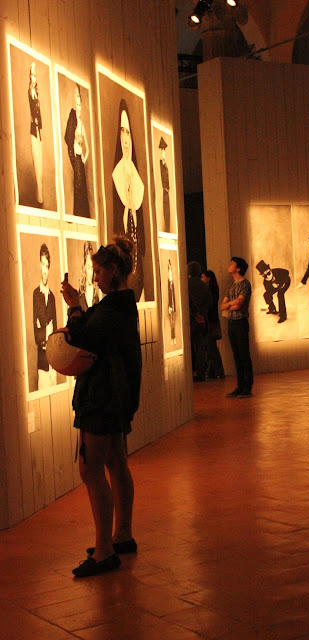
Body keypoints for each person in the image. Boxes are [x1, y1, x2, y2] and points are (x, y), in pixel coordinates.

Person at [61, 236, 142, 577]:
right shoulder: (121, 305)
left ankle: (104, 551)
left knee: (90, 469)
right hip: (115, 397)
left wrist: (74, 308)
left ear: (113, 270)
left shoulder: (113, 308)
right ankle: (121, 535)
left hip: (101, 398)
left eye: (98, 271)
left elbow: (84, 338)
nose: (95, 278)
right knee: (116, 462)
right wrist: (80, 308)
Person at [112, 99, 145, 302]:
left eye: (128, 132)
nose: (125, 138)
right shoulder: (117, 173)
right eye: (122, 132)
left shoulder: (135, 173)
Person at [221, 257, 253, 398]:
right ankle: (240, 386)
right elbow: (222, 306)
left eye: (232, 263)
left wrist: (230, 304)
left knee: (244, 355)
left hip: (240, 322)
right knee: (236, 355)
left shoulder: (245, 284)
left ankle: (247, 387)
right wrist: (231, 304)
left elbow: (238, 305)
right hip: (231, 323)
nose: (229, 265)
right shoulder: (231, 285)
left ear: (238, 268)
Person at [33, 243, 57, 389]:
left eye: (47, 266)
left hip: (54, 365)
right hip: (42, 365)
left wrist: (46, 332)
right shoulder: (36, 295)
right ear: (39, 265)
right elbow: (37, 337)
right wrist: (46, 332)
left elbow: (55, 332)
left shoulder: (52, 297)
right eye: (42, 264)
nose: (44, 270)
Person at [64, 84, 90, 217]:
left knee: (81, 188)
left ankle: (82, 214)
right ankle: (78, 214)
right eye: (77, 105)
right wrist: (73, 154)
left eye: (80, 105)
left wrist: (84, 157)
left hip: (80, 159)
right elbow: (68, 137)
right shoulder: (73, 120)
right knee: (78, 187)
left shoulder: (82, 126)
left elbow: (88, 148)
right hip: (76, 159)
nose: (79, 107)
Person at [188, 261, 211, 381]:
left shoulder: (186, 284)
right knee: (199, 346)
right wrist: (202, 313)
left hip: (190, 318)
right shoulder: (204, 285)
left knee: (190, 347)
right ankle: (202, 372)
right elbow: (209, 302)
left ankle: (190, 372)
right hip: (201, 319)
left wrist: (194, 312)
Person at [201, 269, 225, 379]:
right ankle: (212, 371)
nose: (201, 279)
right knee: (210, 346)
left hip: (210, 321)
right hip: (213, 320)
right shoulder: (214, 289)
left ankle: (218, 371)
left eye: (203, 277)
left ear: (208, 278)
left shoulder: (209, 290)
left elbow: (209, 306)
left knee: (210, 346)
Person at [28, 61, 43, 206]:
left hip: (38, 131)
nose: (34, 77)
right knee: (36, 162)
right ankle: (39, 197)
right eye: (32, 75)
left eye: (35, 75)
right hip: (34, 130)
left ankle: (41, 196)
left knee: (41, 164)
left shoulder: (36, 93)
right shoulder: (31, 92)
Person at [78, 240, 99, 311]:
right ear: (84, 268)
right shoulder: (80, 294)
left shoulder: (95, 295)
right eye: (88, 267)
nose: (91, 272)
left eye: (92, 267)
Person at [159, 136, 171, 233]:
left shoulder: (165, 165)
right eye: (162, 150)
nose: (164, 152)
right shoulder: (160, 165)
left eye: (164, 150)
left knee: (168, 212)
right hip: (163, 192)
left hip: (166, 192)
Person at [167, 258, 176, 346]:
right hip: (171, 306)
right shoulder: (169, 284)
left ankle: (173, 337)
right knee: (171, 323)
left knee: (173, 323)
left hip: (173, 305)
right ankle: (172, 337)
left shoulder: (172, 284)